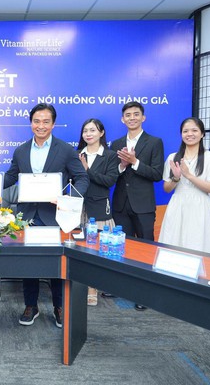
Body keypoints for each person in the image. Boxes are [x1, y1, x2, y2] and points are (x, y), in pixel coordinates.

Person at [4, 103, 89, 328]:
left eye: (46, 121)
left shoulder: (65, 150)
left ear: (53, 124)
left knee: (56, 263)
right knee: (29, 262)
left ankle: (59, 306)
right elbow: (11, 176)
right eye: (36, 121)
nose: (40, 126)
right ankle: (30, 305)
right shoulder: (21, 150)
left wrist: (67, 198)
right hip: (28, 215)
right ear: (30, 123)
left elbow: (82, 178)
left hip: (54, 215)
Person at [109, 101, 164, 311]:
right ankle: (122, 287)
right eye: (128, 115)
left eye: (136, 114)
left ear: (143, 117)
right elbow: (112, 175)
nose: (132, 118)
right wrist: (122, 166)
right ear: (122, 119)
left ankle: (144, 294)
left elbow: (157, 174)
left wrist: (135, 162)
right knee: (122, 248)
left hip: (143, 205)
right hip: (121, 204)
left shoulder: (154, 142)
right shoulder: (116, 143)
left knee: (145, 249)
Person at [159, 118, 210, 254]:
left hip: (200, 206)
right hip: (178, 204)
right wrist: (176, 178)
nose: (190, 134)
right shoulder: (173, 157)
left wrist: (189, 175)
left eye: (194, 130)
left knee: (197, 244)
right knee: (173, 242)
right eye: (185, 131)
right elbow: (166, 189)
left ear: (202, 134)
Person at [76, 118, 118, 306]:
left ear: (101, 133)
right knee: (78, 249)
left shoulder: (109, 155)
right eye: (85, 130)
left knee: (96, 250)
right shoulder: (77, 154)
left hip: (99, 208)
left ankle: (92, 288)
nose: (88, 134)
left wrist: (88, 170)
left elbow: (109, 180)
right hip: (78, 209)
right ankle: (78, 285)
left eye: (92, 130)